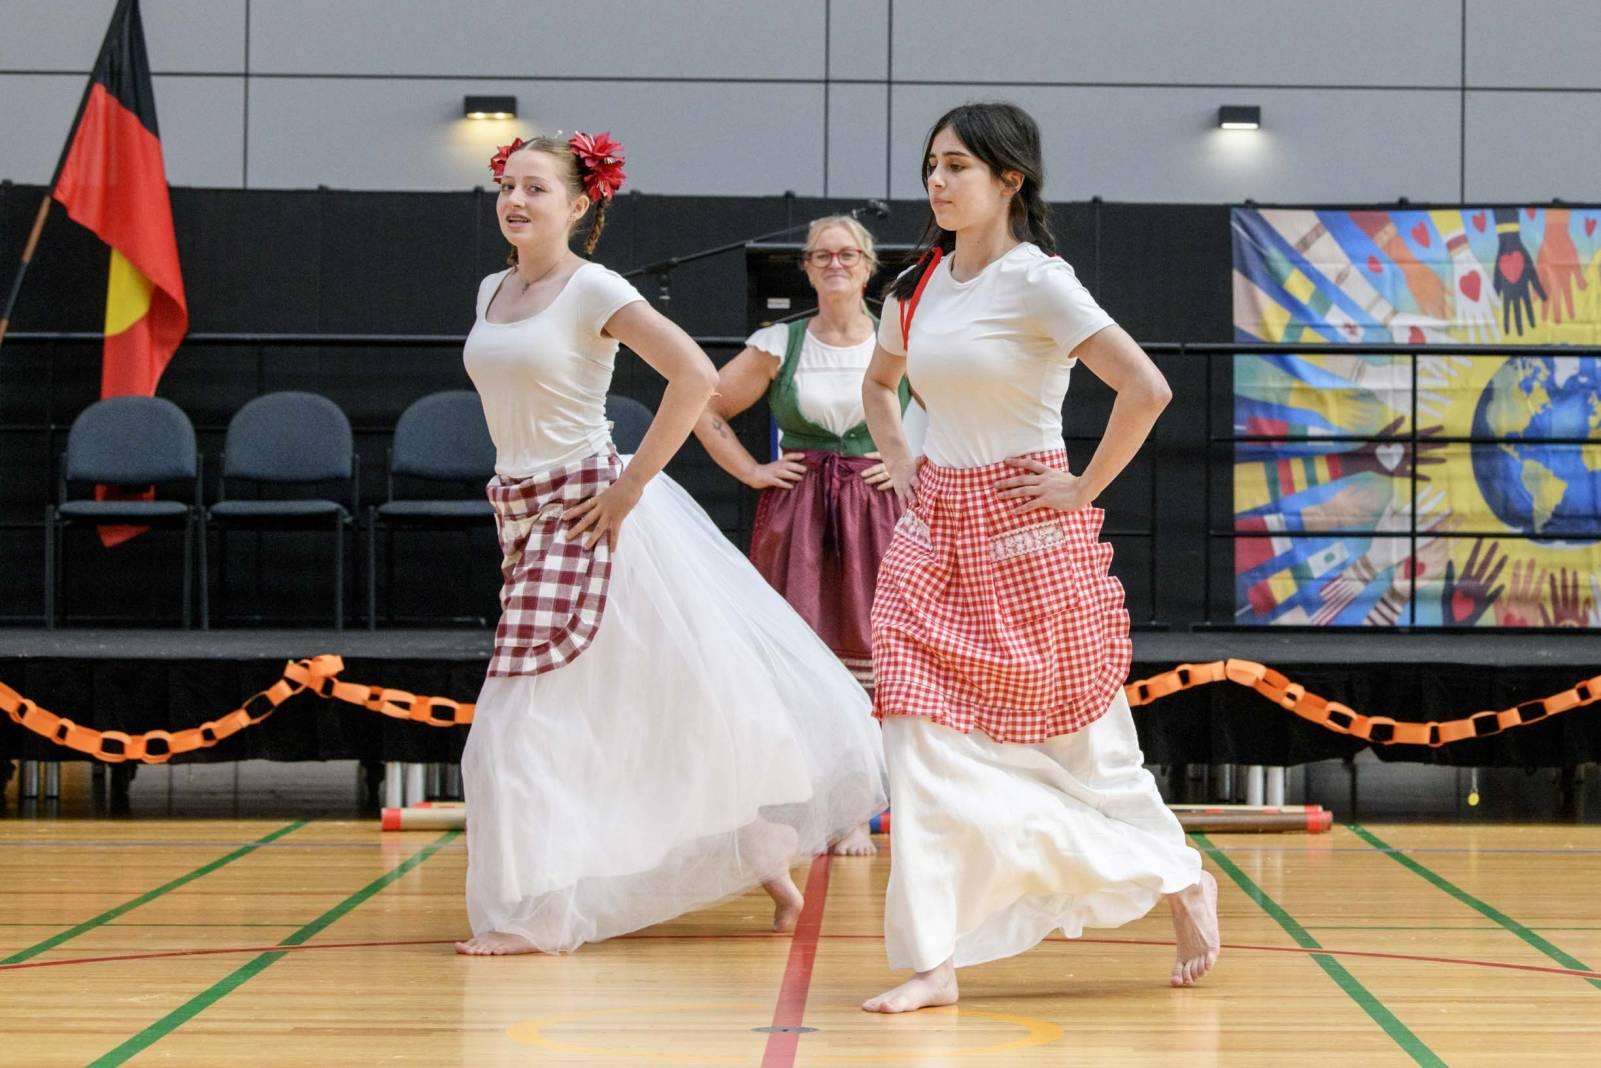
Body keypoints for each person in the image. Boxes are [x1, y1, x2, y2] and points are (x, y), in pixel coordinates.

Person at [454, 132, 886, 956]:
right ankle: (763, 852)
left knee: (514, 727)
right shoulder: (491, 289)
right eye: (508, 185)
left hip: (589, 514)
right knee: (663, 701)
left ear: (578, 205)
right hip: (525, 515)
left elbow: (693, 377)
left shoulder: (594, 288)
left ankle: (537, 913)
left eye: (536, 188)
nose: (515, 200)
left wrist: (629, 487)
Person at [856, 103, 1221, 1011]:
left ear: (1008, 179)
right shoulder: (915, 286)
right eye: (931, 165)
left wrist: (1084, 484)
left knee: (1086, 748)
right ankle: (933, 960)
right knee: (916, 740)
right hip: (931, 534)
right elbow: (879, 383)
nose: (936, 181)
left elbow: (1145, 387)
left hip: (1026, 529)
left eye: (957, 166)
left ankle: (1176, 874)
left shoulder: (1038, 282)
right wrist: (901, 459)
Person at [693, 215, 912, 857]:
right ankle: (818, 809)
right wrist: (752, 470)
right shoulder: (778, 343)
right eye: (822, 255)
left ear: (868, 266)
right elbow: (703, 405)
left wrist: (914, 462)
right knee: (804, 656)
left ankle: (863, 808)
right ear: (808, 269)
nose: (835, 264)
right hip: (801, 514)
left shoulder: (900, 339)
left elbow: (959, 412)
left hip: (877, 511)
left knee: (875, 655)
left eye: (847, 254)